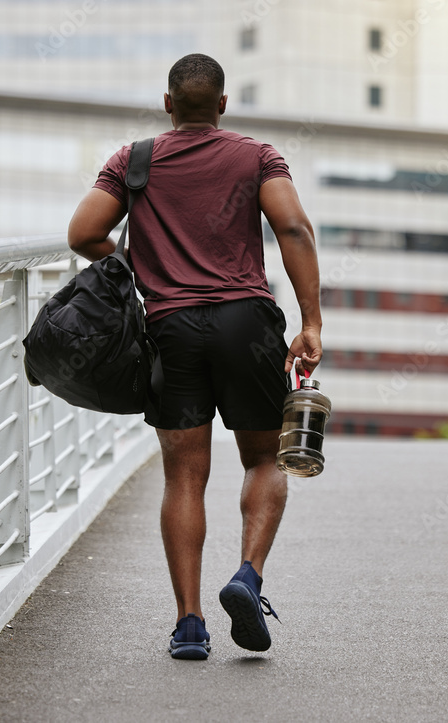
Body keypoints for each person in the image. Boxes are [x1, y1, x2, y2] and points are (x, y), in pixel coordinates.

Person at [67, 53, 322, 660]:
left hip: (171, 326)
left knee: (184, 475)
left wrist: (141, 265)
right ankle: (247, 577)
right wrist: (311, 320)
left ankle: (188, 624)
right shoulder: (258, 155)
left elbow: (82, 235)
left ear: (168, 104)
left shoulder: (131, 161)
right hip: (248, 324)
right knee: (265, 459)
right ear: (224, 105)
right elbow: (294, 230)